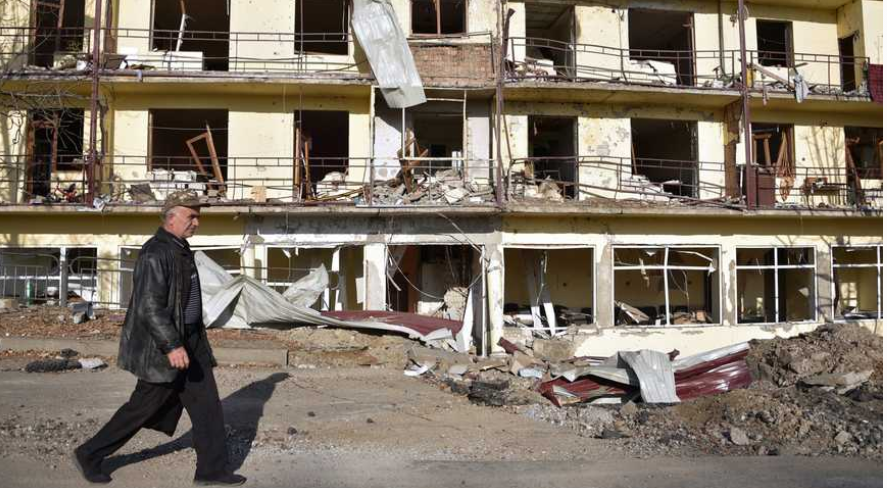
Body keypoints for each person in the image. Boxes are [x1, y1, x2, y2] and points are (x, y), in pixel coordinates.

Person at [72, 190, 246, 486]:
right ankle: (89, 453)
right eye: (192, 216)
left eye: (198, 217)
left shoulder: (179, 248)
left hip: (191, 341)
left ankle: (212, 471)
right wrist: (172, 345)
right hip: (166, 346)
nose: (196, 222)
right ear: (172, 217)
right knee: (142, 407)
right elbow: (150, 306)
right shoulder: (156, 253)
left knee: (207, 407)